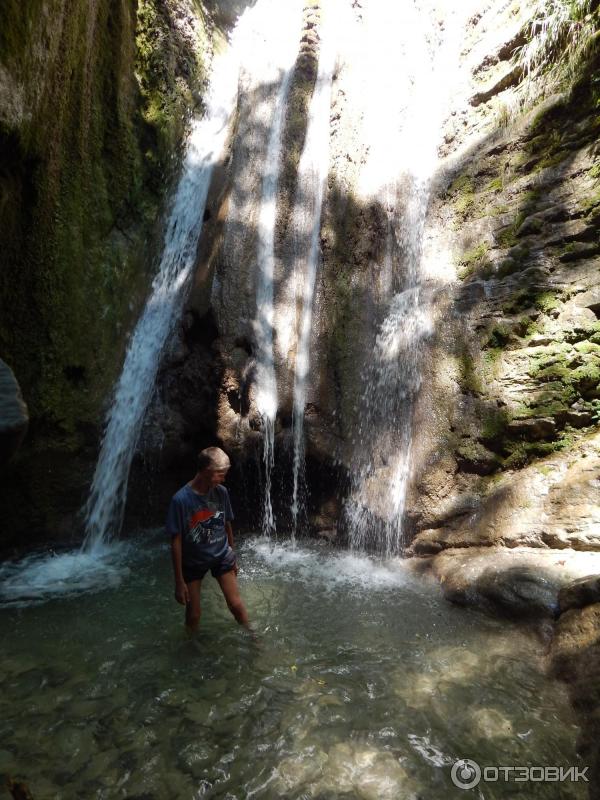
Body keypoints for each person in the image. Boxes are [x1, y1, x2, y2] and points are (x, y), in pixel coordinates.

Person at [167, 446, 250, 633]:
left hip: (221, 554)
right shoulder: (180, 500)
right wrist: (179, 581)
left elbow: (227, 522)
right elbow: (176, 541)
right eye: (220, 474)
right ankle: (190, 646)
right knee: (194, 614)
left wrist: (232, 552)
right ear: (205, 472)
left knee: (236, 605)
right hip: (193, 560)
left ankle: (253, 639)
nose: (223, 479)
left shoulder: (221, 492)